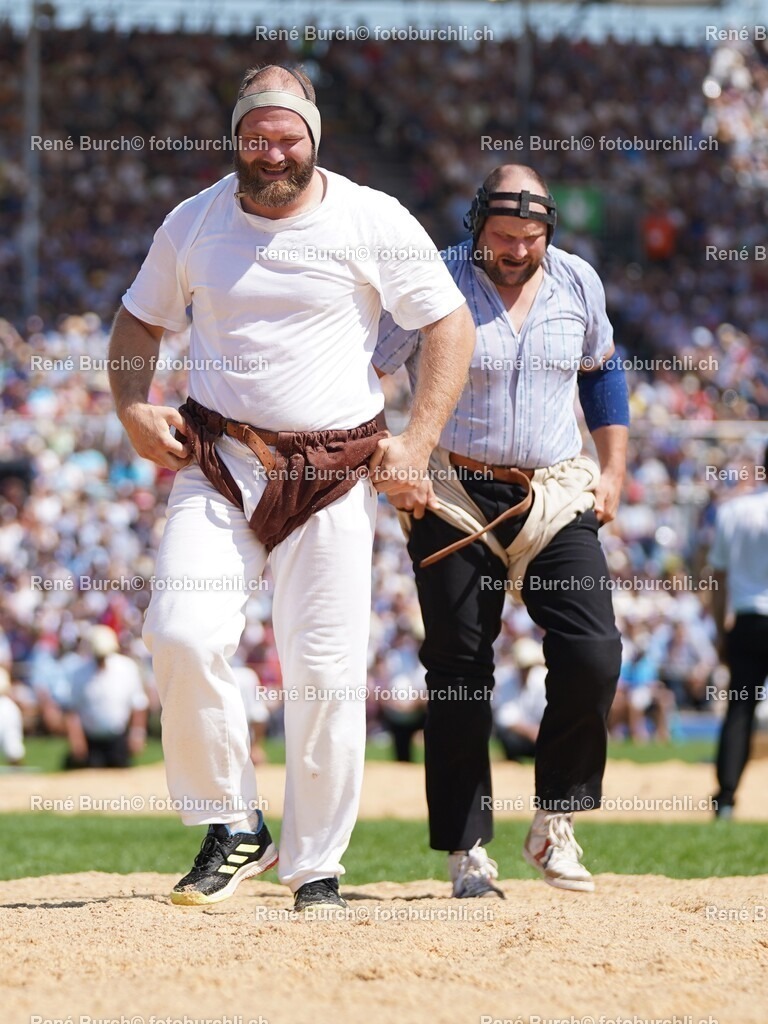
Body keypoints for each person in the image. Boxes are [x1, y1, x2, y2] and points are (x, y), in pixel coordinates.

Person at [109, 64, 474, 910]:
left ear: (314, 138)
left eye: (287, 138)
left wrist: (418, 441)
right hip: (220, 462)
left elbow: (447, 322)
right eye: (255, 138)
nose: (272, 154)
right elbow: (138, 317)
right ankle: (233, 823)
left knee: (325, 672)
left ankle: (316, 868)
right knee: (180, 632)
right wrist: (131, 407)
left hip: (334, 471)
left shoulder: (371, 216)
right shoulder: (193, 220)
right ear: (236, 139)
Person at [375, 164, 628, 896]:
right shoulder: (432, 278)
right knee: (458, 671)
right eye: (503, 235)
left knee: (593, 651)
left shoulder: (578, 281)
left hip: (552, 488)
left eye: (530, 237)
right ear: (476, 224)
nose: (517, 250)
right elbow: (368, 367)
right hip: (451, 488)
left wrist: (613, 470)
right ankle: (467, 851)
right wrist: (396, 455)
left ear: (549, 232)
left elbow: (601, 372)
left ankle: (555, 821)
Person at [709, 448, 768, 819]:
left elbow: (717, 577)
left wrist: (720, 630)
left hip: (747, 620)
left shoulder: (734, 511)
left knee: (740, 710)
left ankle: (726, 798)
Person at [62, 625, 149, 769]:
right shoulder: (80, 673)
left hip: (118, 740)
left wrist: (137, 734)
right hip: (91, 741)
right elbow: (72, 709)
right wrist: (77, 739)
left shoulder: (126, 668)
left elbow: (138, 704)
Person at [493, 637, 547, 763]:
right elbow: (505, 718)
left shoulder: (542, 679)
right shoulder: (505, 679)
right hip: (521, 736)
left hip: (540, 734)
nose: (525, 670)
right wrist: (530, 732)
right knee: (507, 737)